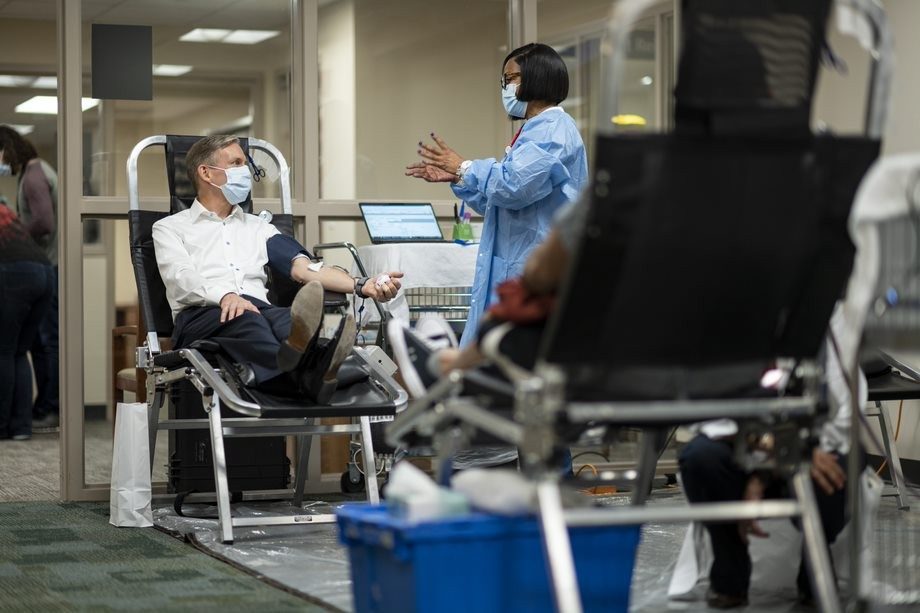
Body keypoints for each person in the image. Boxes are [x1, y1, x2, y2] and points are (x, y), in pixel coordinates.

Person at [152, 135, 403, 403]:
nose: (245, 171)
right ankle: (319, 372)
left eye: (245, 164)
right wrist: (225, 296)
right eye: (236, 163)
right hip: (201, 315)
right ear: (206, 173)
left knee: (290, 320)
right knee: (247, 320)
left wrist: (362, 285)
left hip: (260, 310)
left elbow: (304, 269)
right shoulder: (170, 228)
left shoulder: (260, 228)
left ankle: (310, 371)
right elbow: (181, 278)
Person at [406, 42, 588, 348]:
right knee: (493, 351)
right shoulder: (535, 130)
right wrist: (460, 178)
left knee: (511, 352)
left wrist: (464, 167)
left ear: (537, 77)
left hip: (536, 267)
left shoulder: (554, 129)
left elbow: (515, 186)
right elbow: (503, 203)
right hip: (518, 263)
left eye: (510, 78)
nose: (505, 87)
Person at [0, 126, 59, 430]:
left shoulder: (34, 176)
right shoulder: (35, 171)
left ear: (7, 149)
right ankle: (30, 418)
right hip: (44, 267)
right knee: (26, 347)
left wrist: (14, 232)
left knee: (41, 344)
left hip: (39, 267)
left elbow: (44, 223)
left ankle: (49, 408)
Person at [0, 201, 54, 440]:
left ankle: (2, 427)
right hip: (45, 271)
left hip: (15, 272)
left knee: (3, 351)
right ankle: (21, 427)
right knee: (19, 351)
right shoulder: (6, 210)